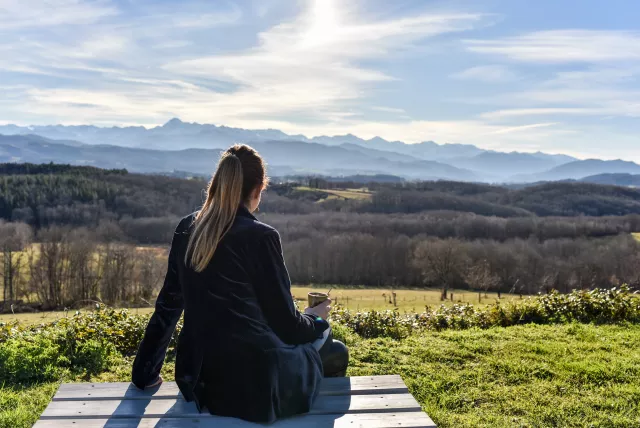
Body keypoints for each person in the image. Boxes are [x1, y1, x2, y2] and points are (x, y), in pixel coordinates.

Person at [131, 144, 349, 423]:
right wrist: (316, 321)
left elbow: (168, 308)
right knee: (334, 350)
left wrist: (145, 373)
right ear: (258, 189)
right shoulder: (262, 237)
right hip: (254, 387)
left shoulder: (188, 229)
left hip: (198, 379)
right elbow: (288, 327)